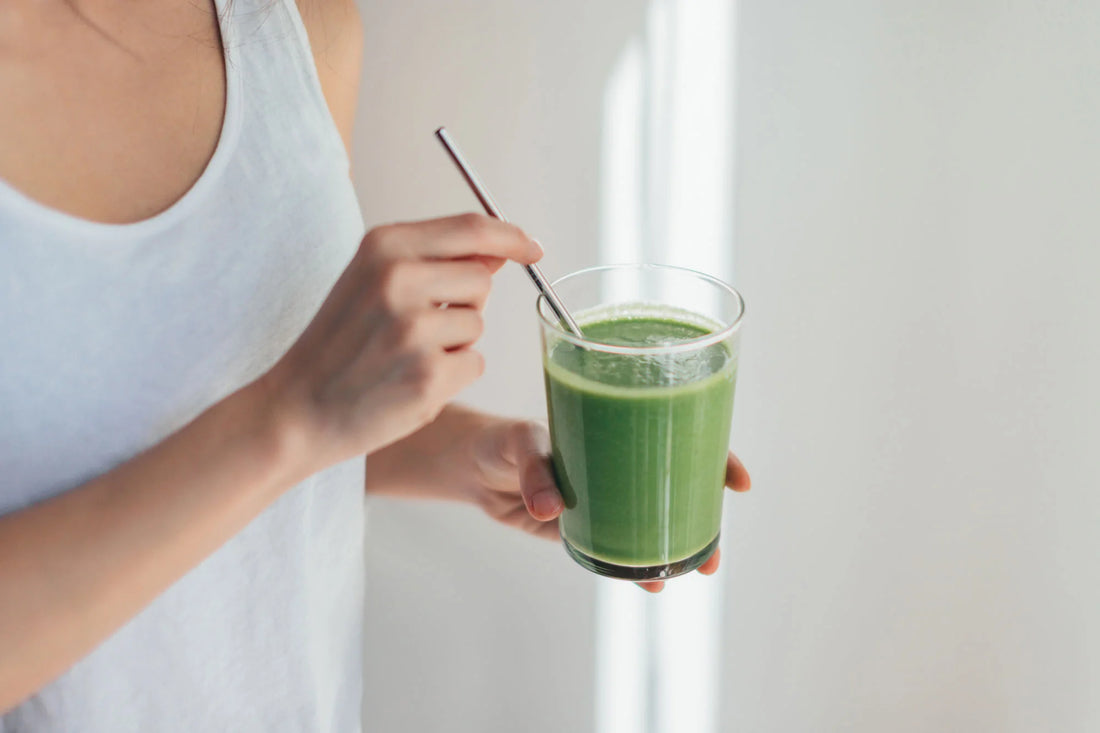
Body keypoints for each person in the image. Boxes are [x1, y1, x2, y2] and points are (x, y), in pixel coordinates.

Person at [0, 0, 751, 728]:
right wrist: (289, 416)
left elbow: (272, 407)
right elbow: (288, 412)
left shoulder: (294, 26)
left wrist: (466, 455)